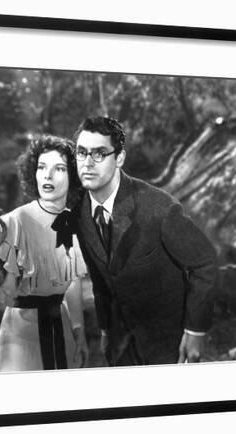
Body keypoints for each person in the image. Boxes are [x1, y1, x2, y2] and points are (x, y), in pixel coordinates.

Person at [71, 116, 217, 366]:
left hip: (167, 344)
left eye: (99, 154)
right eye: (82, 153)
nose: (87, 163)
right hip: (120, 346)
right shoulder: (80, 211)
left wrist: (195, 332)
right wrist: (106, 329)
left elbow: (204, 263)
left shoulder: (158, 207)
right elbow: (100, 279)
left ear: (120, 158)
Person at [0, 135, 89, 372]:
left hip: (61, 329)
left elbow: (72, 282)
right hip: (20, 335)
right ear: (32, 172)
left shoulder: (74, 225)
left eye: (59, 168)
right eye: (42, 167)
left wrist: (79, 331)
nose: (48, 175)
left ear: (72, 176)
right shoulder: (12, 223)